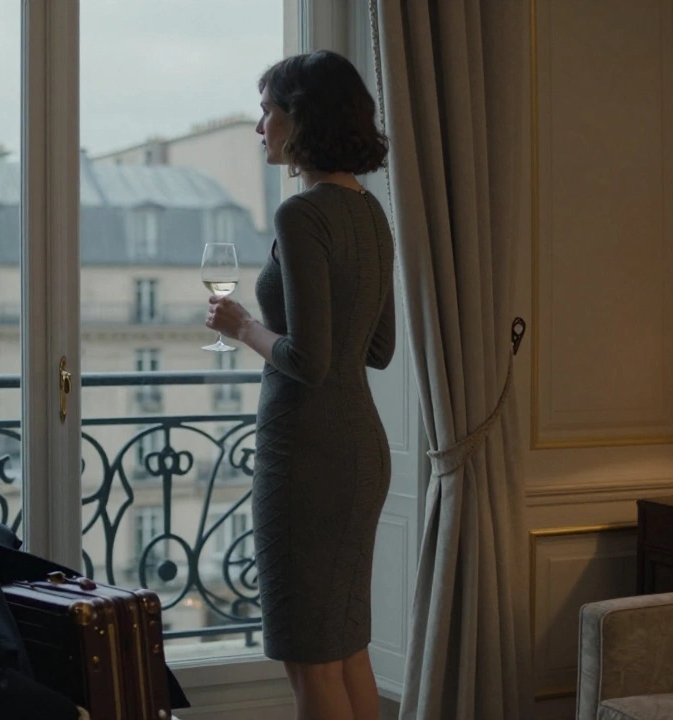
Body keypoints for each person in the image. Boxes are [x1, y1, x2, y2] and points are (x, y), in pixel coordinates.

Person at [205, 50, 395, 720]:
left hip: (306, 454)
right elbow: (380, 348)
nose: (260, 128)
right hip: (362, 450)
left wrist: (242, 326)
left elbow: (308, 362)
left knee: (308, 659)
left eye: (268, 112)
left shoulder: (301, 214)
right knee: (344, 650)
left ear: (300, 118)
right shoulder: (370, 213)